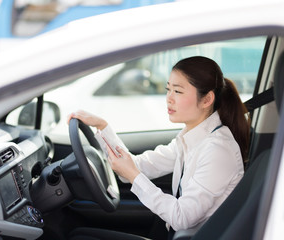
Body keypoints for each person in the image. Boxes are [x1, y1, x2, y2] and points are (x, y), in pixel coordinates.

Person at [67, 56, 250, 239]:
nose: (169, 99)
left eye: (178, 91)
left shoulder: (218, 150)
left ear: (206, 99)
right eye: (168, 89)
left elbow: (182, 217)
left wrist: (133, 175)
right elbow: (136, 166)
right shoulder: (189, 139)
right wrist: (102, 127)